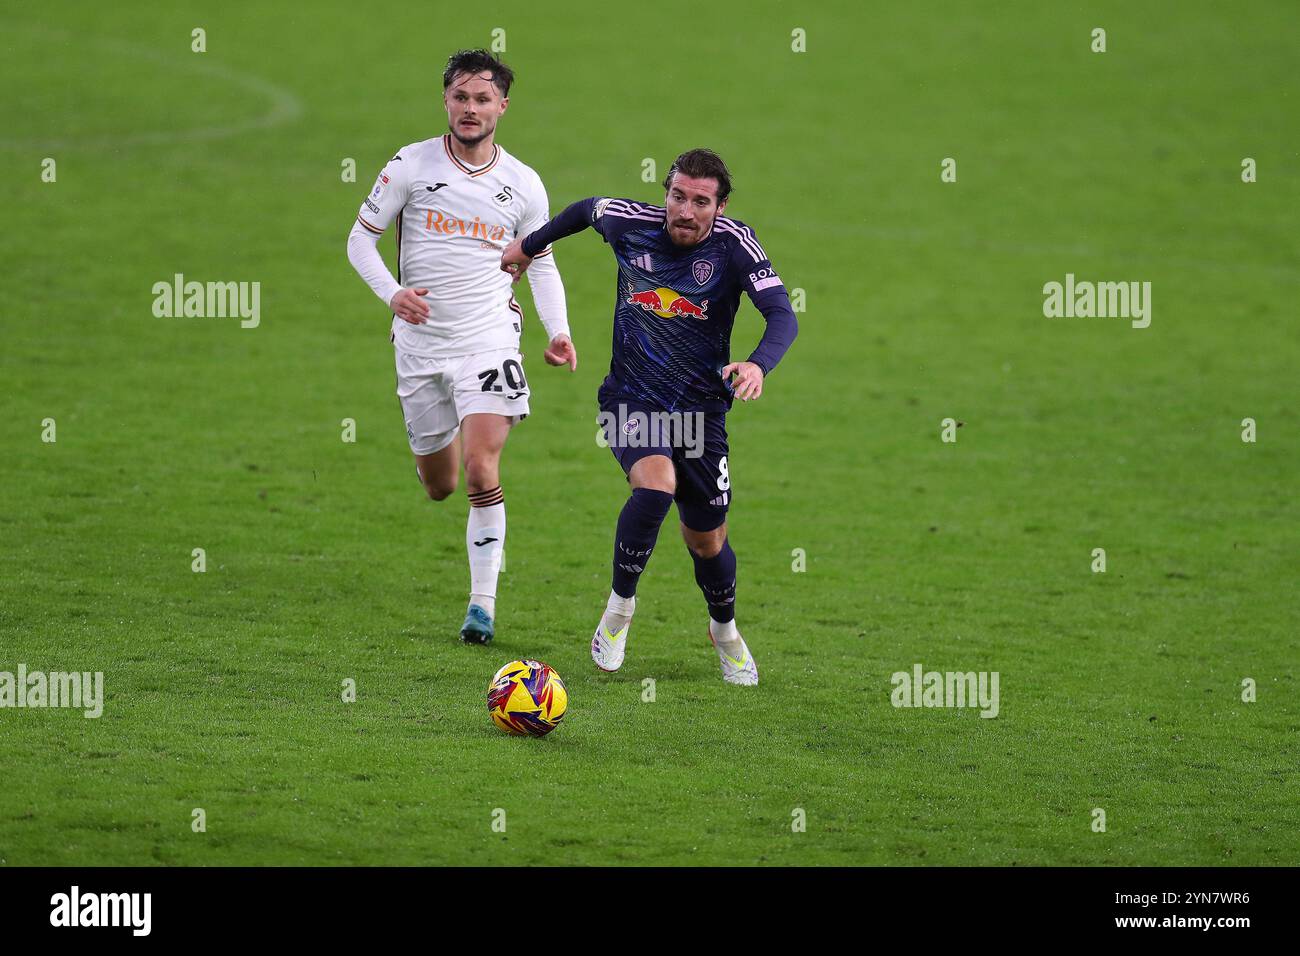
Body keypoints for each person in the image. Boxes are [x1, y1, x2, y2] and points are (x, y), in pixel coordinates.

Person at [500, 148, 797, 684]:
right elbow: (585, 210)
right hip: (629, 399)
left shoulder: (734, 246)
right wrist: (527, 246)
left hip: (702, 413)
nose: (685, 210)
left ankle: (724, 630)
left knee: (707, 541)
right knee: (655, 487)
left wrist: (758, 364)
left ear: (720, 206)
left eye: (700, 202)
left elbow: (782, 314)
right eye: (677, 196)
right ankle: (618, 611)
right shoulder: (629, 223)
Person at [346, 49, 577, 644]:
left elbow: (542, 260)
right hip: (421, 347)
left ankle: (482, 607)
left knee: (481, 468)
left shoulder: (523, 183)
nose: (470, 108)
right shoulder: (410, 165)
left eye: (482, 99)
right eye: (460, 97)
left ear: (502, 105)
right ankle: (445, 429)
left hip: (489, 338)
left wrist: (559, 330)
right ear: (445, 100)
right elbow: (359, 242)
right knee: (440, 484)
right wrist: (394, 295)